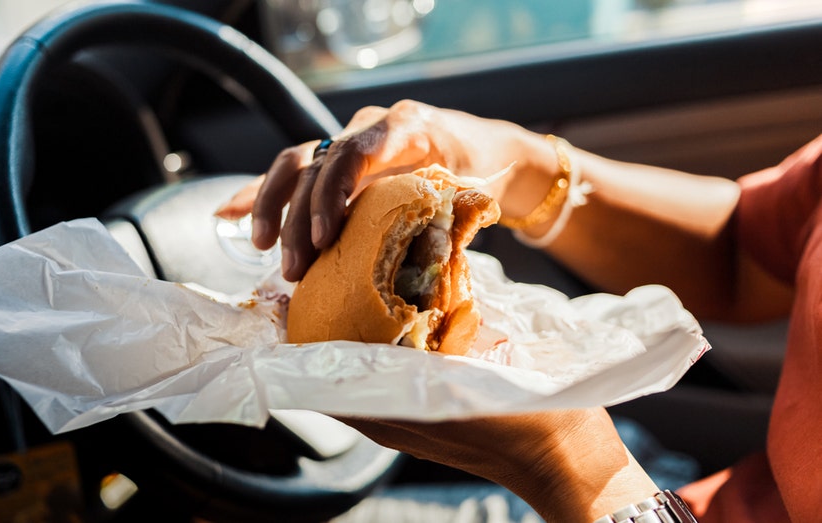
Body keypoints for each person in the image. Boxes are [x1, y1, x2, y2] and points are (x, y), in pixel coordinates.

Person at [216, 99, 821, 522]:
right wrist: (509, 157)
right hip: (674, 490)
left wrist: (566, 467)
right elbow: (746, 252)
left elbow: (574, 465)